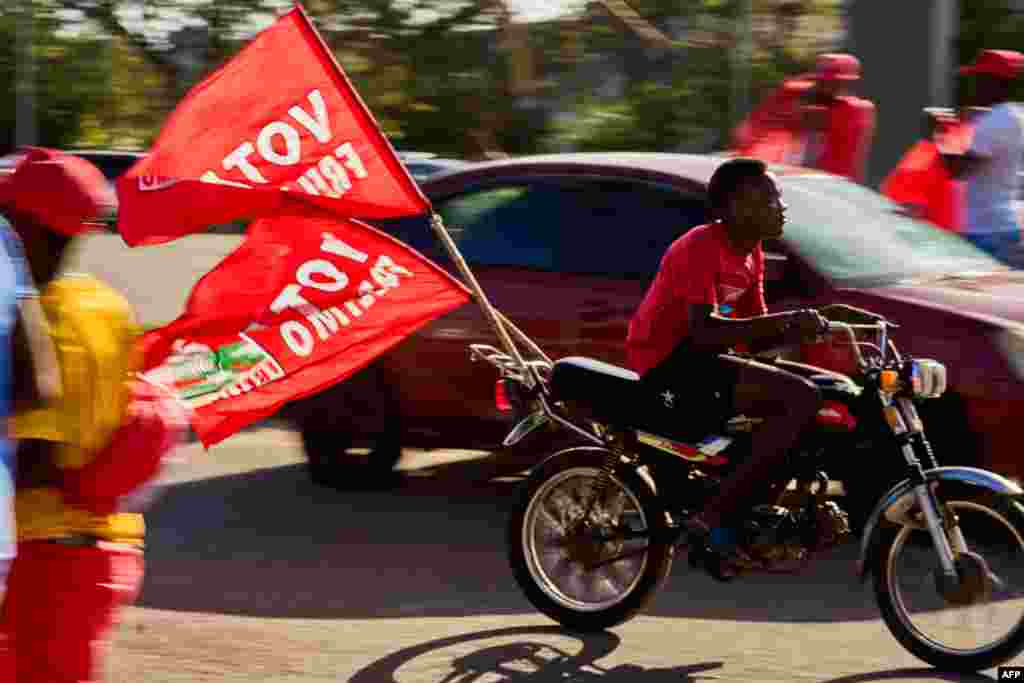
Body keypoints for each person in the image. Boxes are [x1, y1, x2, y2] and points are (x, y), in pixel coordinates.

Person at [0, 147, 189, 683]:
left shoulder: (44, 324)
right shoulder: (99, 303)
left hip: (47, 566)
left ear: (23, 225)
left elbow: (35, 465)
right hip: (97, 555)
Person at [627, 157, 838, 577]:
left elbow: (756, 334)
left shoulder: (751, 253)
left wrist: (818, 325)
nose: (780, 206)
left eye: (777, 197)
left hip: (702, 359)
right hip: (667, 361)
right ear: (730, 209)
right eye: (766, 198)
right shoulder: (699, 246)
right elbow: (704, 331)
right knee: (799, 395)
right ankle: (713, 516)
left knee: (828, 388)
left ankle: (753, 510)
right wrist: (788, 322)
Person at [731, 53, 876, 183]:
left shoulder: (856, 110)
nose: (828, 87)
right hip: (790, 176)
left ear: (848, 84)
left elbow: (825, 123)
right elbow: (755, 127)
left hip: (832, 183)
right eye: (822, 81)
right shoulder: (793, 95)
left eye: (836, 83)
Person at [938, 49, 1024, 266]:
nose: (973, 86)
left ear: (992, 82)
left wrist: (939, 134)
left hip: (987, 231)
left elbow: (958, 170)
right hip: (1001, 227)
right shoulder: (1013, 114)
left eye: (977, 79)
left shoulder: (995, 122)